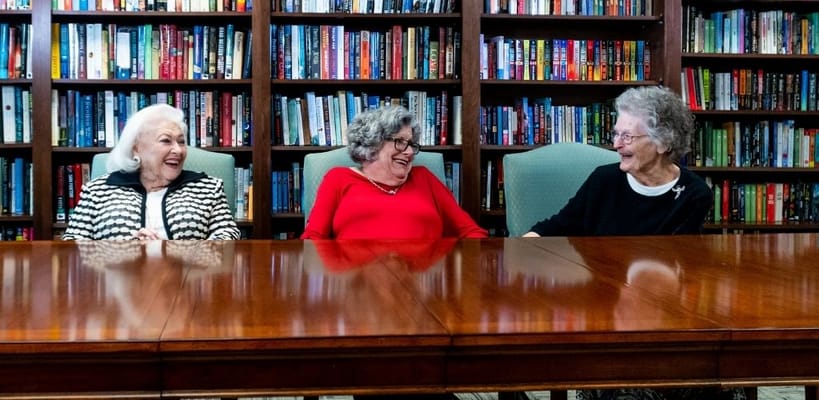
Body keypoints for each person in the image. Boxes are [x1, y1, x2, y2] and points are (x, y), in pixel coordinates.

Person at [524, 85, 712, 237]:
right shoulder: (603, 180)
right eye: (616, 134)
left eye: (627, 136)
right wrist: (519, 248)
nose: (616, 144)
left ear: (663, 142)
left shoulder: (694, 194)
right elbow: (556, 227)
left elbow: (680, 258)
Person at [301, 105, 487, 240]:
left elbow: (471, 232)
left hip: (421, 279)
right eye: (400, 142)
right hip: (358, 279)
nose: (409, 152)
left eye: (411, 144)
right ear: (373, 143)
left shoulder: (424, 177)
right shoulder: (338, 178)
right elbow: (314, 237)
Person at [62, 103, 239, 240]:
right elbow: (73, 243)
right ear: (136, 148)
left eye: (181, 142)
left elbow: (228, 235)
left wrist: (173, 252)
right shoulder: (97, 191)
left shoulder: (208, 188)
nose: (178, 150)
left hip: (186, 275)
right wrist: (126, 253)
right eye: (166, 141)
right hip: (118, 277)